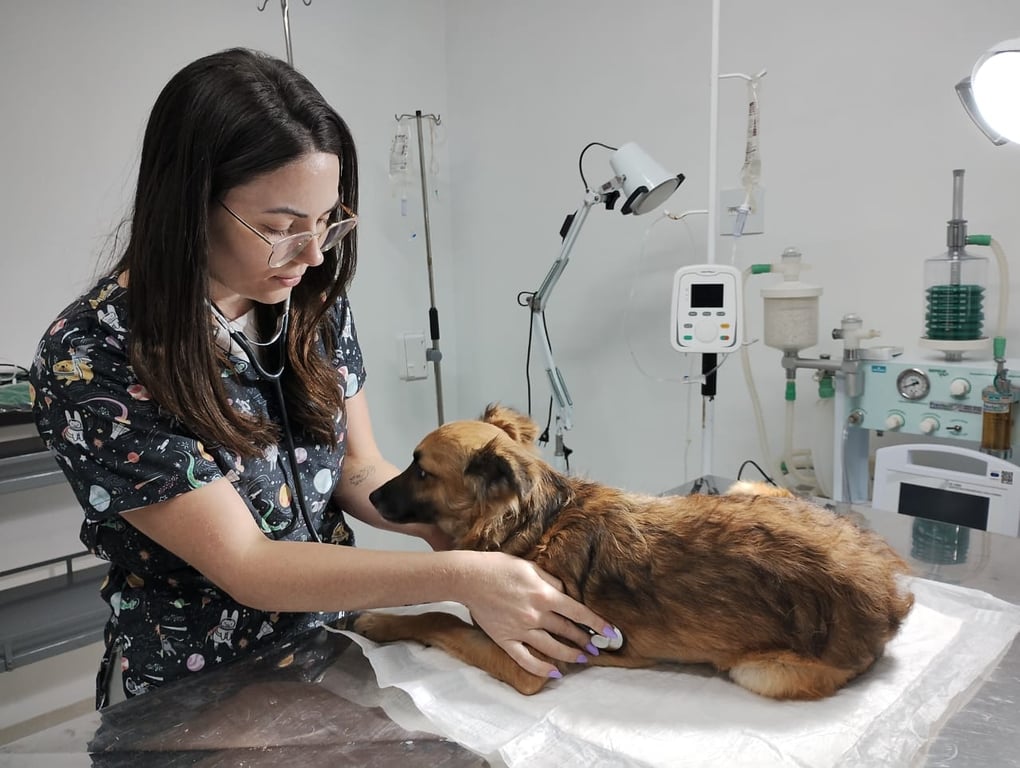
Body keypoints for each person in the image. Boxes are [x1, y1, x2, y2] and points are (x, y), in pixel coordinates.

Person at [30, 47, 611, 707]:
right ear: (191, 207)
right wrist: (462, 576)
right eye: (281, 228)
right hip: (196, 691)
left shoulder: (308, 303)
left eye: (327, 222)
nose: (311, 255)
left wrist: (443, 524)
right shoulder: (94, 355)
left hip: (336, 650)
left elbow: (358, 471)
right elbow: (249, 565)